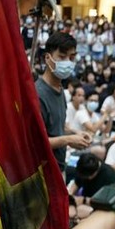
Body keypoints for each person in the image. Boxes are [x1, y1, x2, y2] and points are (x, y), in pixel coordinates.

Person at [35, 32, 91, 173]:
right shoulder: (38, 94)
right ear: (48, 58)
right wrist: (68, 140)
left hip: (59, 167)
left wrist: (76, 133)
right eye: (62, 56)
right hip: (43, 171)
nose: (68, 62)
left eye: (71, 58)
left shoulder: (60, 91)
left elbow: (56, 128)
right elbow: (35, 142)